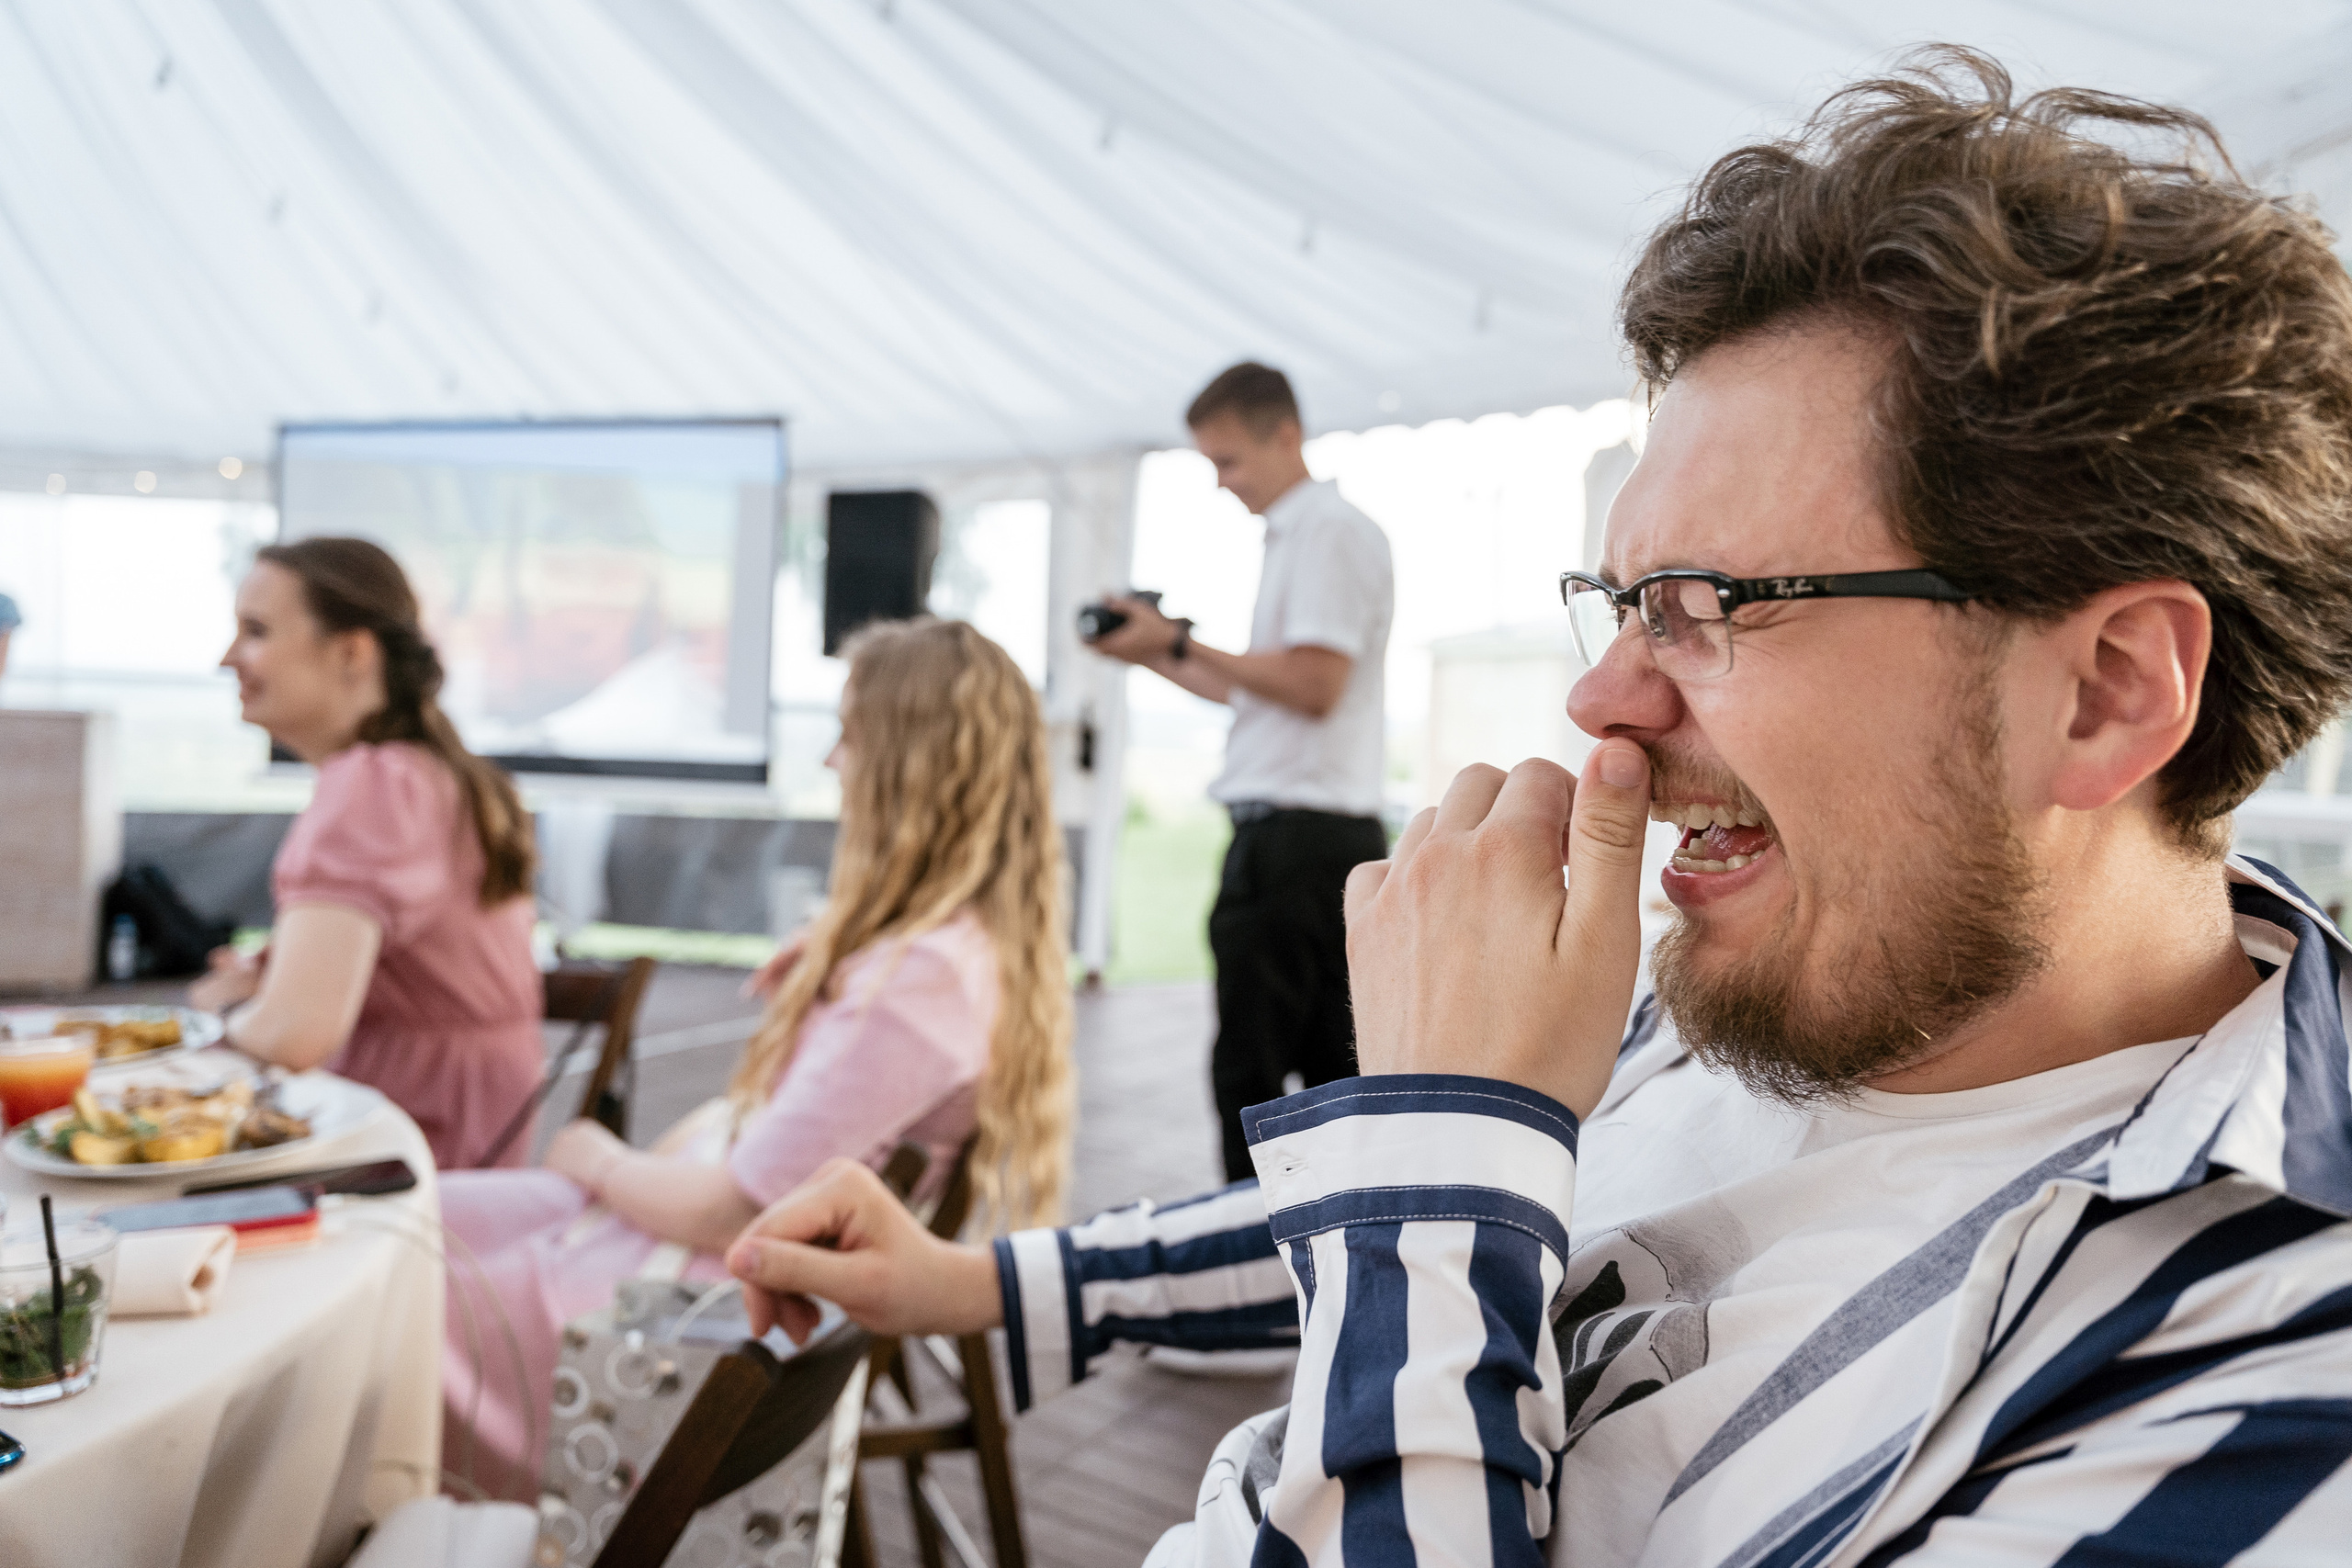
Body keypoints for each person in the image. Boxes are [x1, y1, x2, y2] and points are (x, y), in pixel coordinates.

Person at [725, 51, 2352, 1566]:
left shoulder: (2268, 1377)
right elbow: (1485, 1225)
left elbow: (1452, 1218)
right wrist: (986, 1282)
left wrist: (1439, 1148)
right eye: (1623, 600)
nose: (1607, 700)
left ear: (2109, 688)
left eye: (1713, 603)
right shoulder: (1816, 975)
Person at [436, 618, 1075, 1504]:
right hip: (724, 1246)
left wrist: (596, 1153)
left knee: (402, 1292)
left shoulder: (918, 981)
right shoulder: (945, 953)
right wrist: (835, 958)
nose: (831, 761)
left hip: (718, 1286)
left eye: (850, 735)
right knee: (417, 1218)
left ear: (909, 764)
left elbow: (732, 1207)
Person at [1089, 362, 1395, 1182]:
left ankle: (1253, 1259)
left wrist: (1182, 642)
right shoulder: (1308, 534)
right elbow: (1255, 692)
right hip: (1310, 836)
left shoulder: (1326, 531)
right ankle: (1316, 1255)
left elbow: (1311, 685)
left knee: (1256, 1074)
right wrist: (1155, 651)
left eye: (1229, 461)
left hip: (1298, 841)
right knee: (1320, 1064)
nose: (1223, 484)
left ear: (1285, 435)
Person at [189, 537, 544, 1170]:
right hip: (470, 1130)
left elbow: (296, 1032)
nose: (226, 658)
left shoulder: (372, 785)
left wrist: (217, 1020)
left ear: (352, 651)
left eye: (256, 631)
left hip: (405, 1149)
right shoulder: (434, 774)